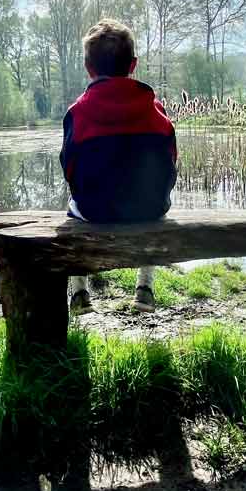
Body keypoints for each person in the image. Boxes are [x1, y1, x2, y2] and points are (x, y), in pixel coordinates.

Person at [59, 19, 177, 314]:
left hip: (95, 211)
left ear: (88, 68)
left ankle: (80, 295)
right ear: (133, 65)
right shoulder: (156, 111)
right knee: (147, 203)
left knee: (70, 206)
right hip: (151, 208)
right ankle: (144, 289)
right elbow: (171, 162)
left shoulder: (78, 114)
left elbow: (69, 168)